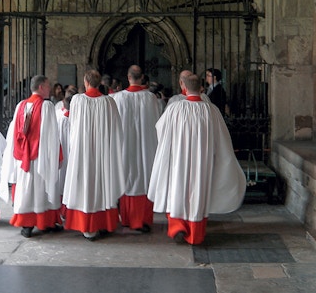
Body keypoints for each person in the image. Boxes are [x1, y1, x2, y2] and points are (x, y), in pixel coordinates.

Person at [148, 74, 246, 245]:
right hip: (202, 161)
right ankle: (195, 235)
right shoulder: (211, 110)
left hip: (179, 159)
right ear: (201, 88)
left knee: (178, 190)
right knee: (198, 192)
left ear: (183, 87)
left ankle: (177, 226)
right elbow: (221, 139)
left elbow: (160, 130)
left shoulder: (174, 109)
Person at [63, 69, 126, 241]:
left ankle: (86, 225)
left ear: (86, 82)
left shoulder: (77, 100)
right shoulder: (109, 102)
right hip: (102, 151)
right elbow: (117, 131)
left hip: (82, 150)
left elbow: (73, 126)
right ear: (100, 83)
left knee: (84, 184)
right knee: (102, 184)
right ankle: (103, 223)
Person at [0, 75, 63, 238]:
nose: (49, 89)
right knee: (42, 189)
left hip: (24, 157)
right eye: (48, 86)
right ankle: (44, 222)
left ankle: (27, 225)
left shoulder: (21, 106)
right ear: (41, 87)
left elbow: (15, 134)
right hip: (40, 157)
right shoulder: (47, 107)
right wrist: (56, 155)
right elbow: (52, 135)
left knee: (26, 189)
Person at [112, 65, 161, 232]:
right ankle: (143, 220)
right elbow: (157, 123)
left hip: (125, 146)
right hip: (145, 147)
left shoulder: (117, 98)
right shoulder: (151, 98)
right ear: (142, 78)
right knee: (144, 176)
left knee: (127, 175)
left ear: (128, 77)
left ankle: (127, 218)